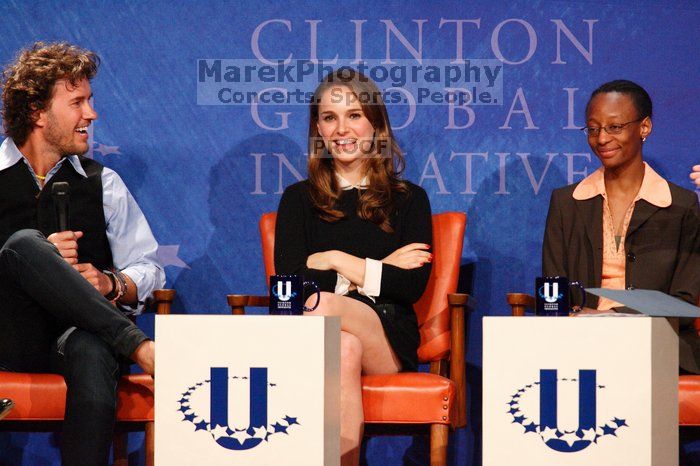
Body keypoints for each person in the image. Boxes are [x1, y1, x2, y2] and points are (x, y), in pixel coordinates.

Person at [0, 42, 164, 465]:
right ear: (37, 112)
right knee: (23, 244)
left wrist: (111, 283)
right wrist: (42, 258)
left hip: (76, 337)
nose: (91, 114)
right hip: (6, 336)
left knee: (93, 348)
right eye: (77, 102)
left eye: (89, 101)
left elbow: (149, 269)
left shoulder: (103, 183)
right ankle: (140, 347)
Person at [274, 69, 432, 465]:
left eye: (355, 115)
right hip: (322, 339)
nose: (341, 128)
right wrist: (377, 269)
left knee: (320, 306)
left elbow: (411, 286)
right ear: (318, 130)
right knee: (341, 347)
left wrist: (333, 260)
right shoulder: (297, 199)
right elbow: (290, 283)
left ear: (376, 125)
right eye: (329, 117)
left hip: (388, 336)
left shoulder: (409, 199)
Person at [542, 79, 700, 372]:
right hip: (580, 344)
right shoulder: (567, 202)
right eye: (593, 128)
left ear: (644, 128)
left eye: (614, 127)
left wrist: (614, 319)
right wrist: (575, 319)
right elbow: (553, 292)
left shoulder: (681, 206)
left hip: (657, 344)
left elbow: (684, 303)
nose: (601, 138)